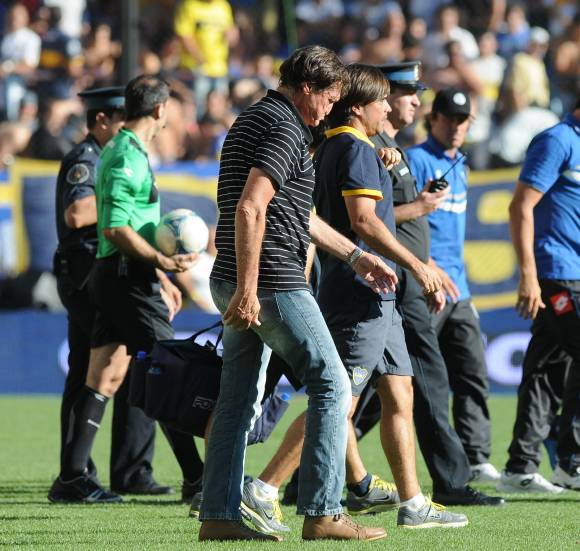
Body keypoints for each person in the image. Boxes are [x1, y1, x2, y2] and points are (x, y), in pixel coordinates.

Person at [235, 63, 468, 535]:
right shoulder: (356, 149)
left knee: (399, 391)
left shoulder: (336, 146)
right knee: (337, 398)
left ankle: (413, 502)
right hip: (362, 295)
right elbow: (363, 220)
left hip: (376, 298)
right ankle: (264, 487)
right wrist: (418, 264)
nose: (390, 109)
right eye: (383, 101)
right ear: (359, 108)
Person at [199, 45, 396, 542]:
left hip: (234, 276)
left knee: (237, 401)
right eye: (328, 98)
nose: (329, 110)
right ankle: (323, 512)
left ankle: (218, 516)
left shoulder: (253, 118)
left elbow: (294, 212)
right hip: (270, 280)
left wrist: (354, 255)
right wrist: (249, 289)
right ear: (307, 87)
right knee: (333, 383)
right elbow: (251, 207)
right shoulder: (286, 128)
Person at [48, 75, 201, 504]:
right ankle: (198, 478)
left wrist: (162, 274)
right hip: (125, 277)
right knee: (169, 370)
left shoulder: (126, 151)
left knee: (105, 374)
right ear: (159, 110)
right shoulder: (124, 155)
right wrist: (161, 262)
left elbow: (130, 221)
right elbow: (115, 227)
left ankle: (72, 476)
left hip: (118, 275)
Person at [366, 62, 504, 506]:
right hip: (404, 281)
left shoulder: (392, 148)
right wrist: (424, 262)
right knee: (410, 382)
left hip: (424, 283)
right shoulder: (374, 149)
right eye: (407, 93)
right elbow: (367, 221)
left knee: (388, 384)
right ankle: (450, 482)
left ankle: (466, 466)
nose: (414, 101)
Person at [406, 88, 501, 483]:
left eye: (464, 120)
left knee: (472, 373)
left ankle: (476, 459)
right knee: (395, 386)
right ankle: (331, 456)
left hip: (458, 290)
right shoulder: (415, 160)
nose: (458, 127)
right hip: (425, 286)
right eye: (451, 119)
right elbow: (398, 222)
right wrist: (426, 266)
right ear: (434, 119)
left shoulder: (460, 164)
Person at [500, 97, 580, 493]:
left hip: (574, 271)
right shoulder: (557, 140)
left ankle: (521, 466)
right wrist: (529, 275)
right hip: (555, 272)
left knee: (544, 369)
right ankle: (572, 460)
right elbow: (520, 206)